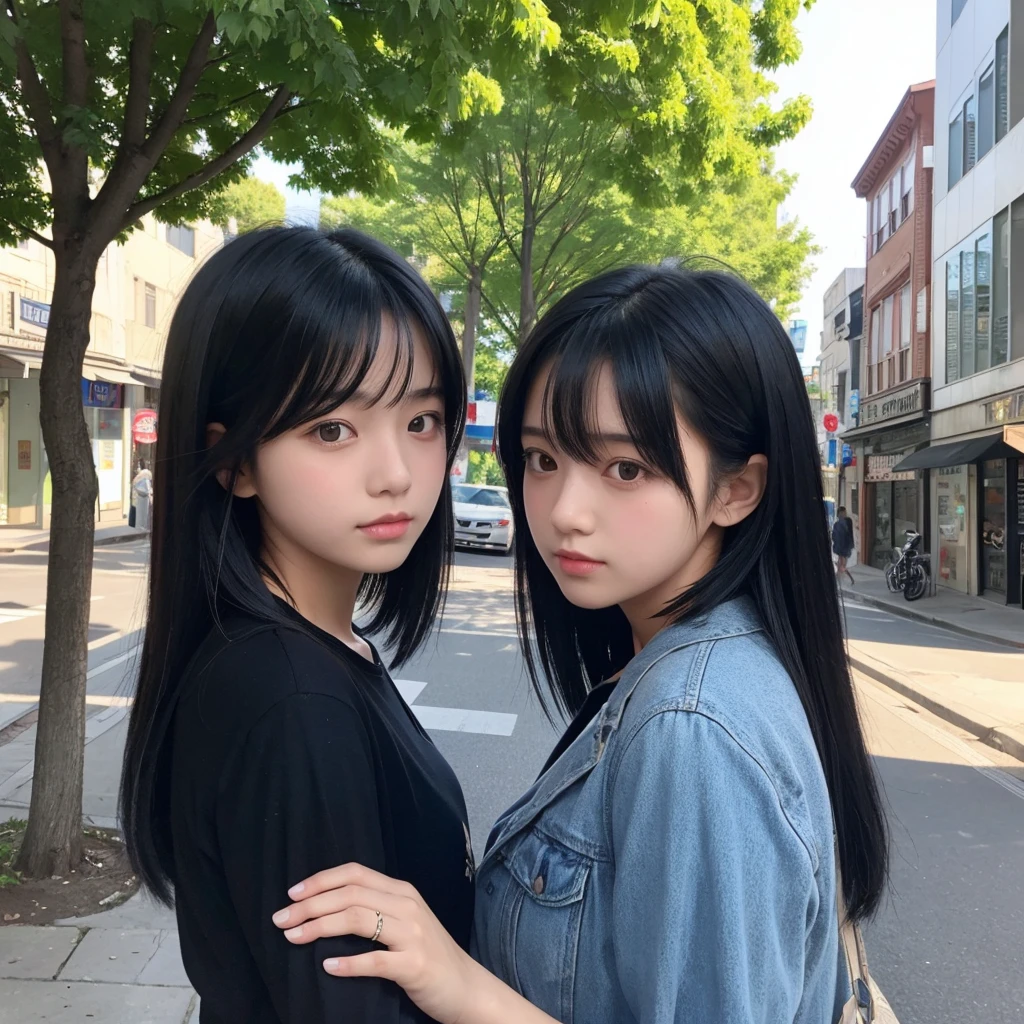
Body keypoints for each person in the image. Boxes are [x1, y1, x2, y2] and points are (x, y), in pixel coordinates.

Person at [274, 264, 890, 1024]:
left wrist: (459, 984)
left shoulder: (692, 727)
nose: (565, 510)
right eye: (542, 459)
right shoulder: (681, 662)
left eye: (625, 468)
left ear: (738, 488)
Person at [119, 226, 472, 1024]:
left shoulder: (314, 652)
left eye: (420, 421)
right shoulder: (290, 699)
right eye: (332, 430)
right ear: (233, 462)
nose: (395, 473)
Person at [833, 505, 855, 586]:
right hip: (842, 547)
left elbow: (848, 535)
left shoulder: (847, 522)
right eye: (843, 512)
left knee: (842, 564)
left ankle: (840, 578)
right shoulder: (839, 524)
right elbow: (836, 537)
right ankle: (841, 578)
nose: (844, 514)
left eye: (844, 512)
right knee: (842, 564)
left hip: (844, 547)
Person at [130, 459, 153, 530]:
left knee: (142, 516)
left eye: (138, 465)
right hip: (140, 499)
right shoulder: (144, 475)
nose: (137, 468)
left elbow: (144, 489)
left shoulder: (143, 476)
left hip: (140, 499)